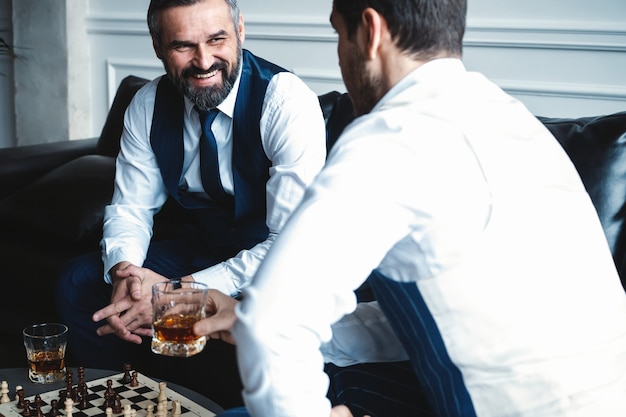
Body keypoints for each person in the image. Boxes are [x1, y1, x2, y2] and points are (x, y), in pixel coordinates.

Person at [194, 0, 626, 416]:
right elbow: (440, 318)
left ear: (370, 31)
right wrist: (243, 316)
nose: (341, 59)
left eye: (339, 35)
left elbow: (273, 329)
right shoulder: (518, 126)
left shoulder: (391, 137)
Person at [56, 0, 326, 409]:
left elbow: (291, 248)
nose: (204, 61)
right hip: (201, 244)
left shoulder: (286, 104)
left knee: (273, 314)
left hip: (270, 258)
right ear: (157, 46)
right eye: (183, 45)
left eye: (217, 39)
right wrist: (125, 273)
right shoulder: (146, 105)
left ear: (240, 29)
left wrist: (175, 295)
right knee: (78, 281)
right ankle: (123, 400)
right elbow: (131, 208)